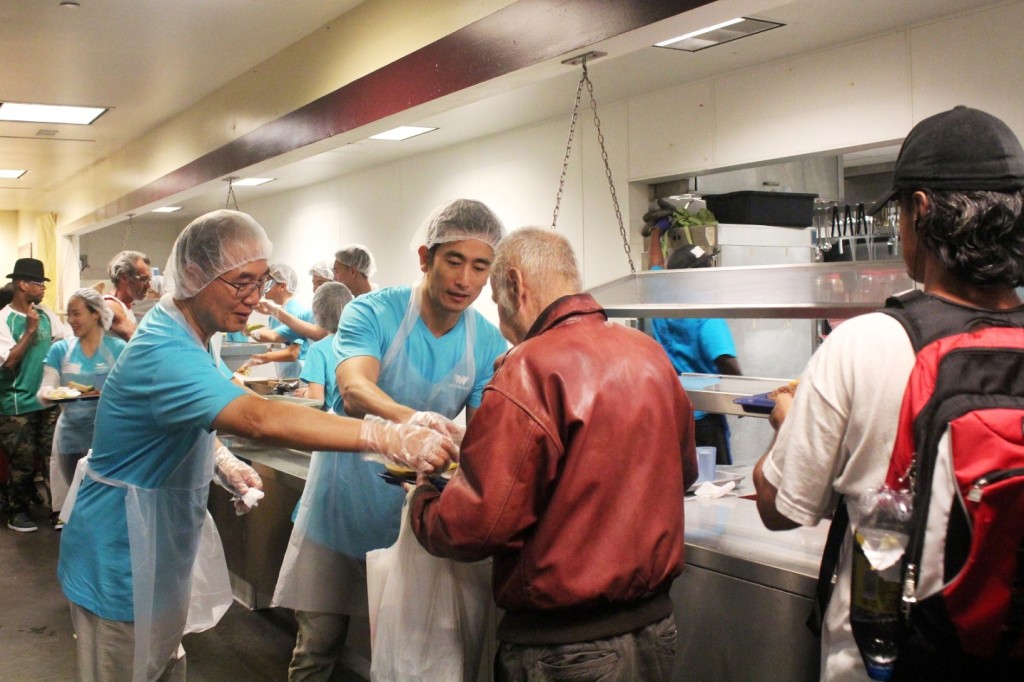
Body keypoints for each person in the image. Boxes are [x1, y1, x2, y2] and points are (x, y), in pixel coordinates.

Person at [56, 209, 457, 682]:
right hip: (119, 553)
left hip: (154, 546)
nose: (253, 299)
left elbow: (232, 396)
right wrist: (387, 433)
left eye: (261, 282)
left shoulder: (193, 335)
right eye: (240, 283)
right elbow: (257, 418)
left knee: (163, 665)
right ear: (192, 274)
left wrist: (221, 459)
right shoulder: (163, 349)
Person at [752, 105, 1024, 680]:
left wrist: (788, 420)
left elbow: (780, 507)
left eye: (899, 214)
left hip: (889, 664)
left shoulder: (865, 343)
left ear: (919, 211)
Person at [410, 227, 698, 681]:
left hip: (566, 650)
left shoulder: (528, 367)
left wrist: (423, 501)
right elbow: (679, 473)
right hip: (655, 629)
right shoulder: (649, 355)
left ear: (516, 285)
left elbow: (477, 527)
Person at [273, 199, 509, 680]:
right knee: (318, 647)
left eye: (480, 266)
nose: (465, 280)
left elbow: (486, 433)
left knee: (412, 654)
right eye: (454, 261)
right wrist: (412, 422)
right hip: (340, 507)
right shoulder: (373, 312)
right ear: (425, 258)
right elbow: (355, 389)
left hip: (415, 517)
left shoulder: (485, 340)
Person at [648, 230, 741, 463]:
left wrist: (655, 233)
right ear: (693, 276)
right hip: (705, 418)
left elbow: (656, 267)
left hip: (675, 413)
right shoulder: (706, 315)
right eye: (705, 268)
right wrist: (740, 396)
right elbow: (725, 360)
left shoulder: (660, 301)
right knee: (714, 486)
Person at [37, 289, 127, 529]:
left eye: (77, 314)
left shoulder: (118, 349)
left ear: (96, 314)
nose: (72, 320)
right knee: (79, 502)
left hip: (108, 439)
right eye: (69, 315)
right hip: (71, 438)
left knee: (106, 505)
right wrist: (47, 395)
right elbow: (46, 388)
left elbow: (130, 390)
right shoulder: (61, 350)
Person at [0, 258, 66, 533]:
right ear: (22, 284)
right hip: (17, 404)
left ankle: (58, 509)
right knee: (23, 463)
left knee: (54, 456)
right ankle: (18, 512)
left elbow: (62, 347)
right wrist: (29, 331)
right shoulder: (3, 319)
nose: (43, 289)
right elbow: (9, 362)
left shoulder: (48, 314)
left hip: (47, 400)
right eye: (38, 283)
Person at [244, 263, 313, 378]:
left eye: (268, 283)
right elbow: (276, 345)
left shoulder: (295, 313)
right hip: (286, 376)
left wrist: (258, 358)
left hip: (299, 376)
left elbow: (293, 353)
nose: (263, 287)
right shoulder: (276, 315)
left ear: (282, 286)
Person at [297, 282, 353, 410]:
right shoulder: (361, 342)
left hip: (334, 421)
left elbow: (316, 400)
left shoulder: (318, 350)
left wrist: (304, 393)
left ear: (318, 313)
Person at [104, 250, 152, 341]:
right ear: (124, 277)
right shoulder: (109, 305)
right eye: (143, 279)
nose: (148, 285)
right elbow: (138, 340)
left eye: (148, 280)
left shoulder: (124, 306)